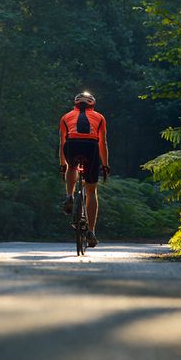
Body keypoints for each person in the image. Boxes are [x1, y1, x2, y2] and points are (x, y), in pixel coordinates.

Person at [59, 91, 110, 247]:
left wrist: (62, 164)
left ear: (75, 104)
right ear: (92, 105)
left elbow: (62, 143)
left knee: (71, 166)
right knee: (91, 190)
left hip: (72, 145)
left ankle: (69, 196)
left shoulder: (66, 117)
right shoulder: (100, 117)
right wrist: (105, 165)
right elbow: (103, 144)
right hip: (91, 147)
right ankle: (91, 231)